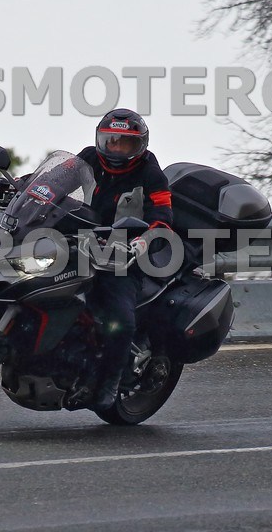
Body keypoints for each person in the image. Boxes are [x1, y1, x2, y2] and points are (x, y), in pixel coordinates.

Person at [77, 108, 172, 411]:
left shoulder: (150, 173)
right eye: (111, 140)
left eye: (125, 143)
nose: (116, 148)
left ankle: (110, 382)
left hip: (122, 255)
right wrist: (22, 185)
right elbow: (57, 179)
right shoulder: (89, 158)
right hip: (78, 242)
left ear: (139, 145)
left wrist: (142, 241)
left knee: (120, 319)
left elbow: (163, 217)